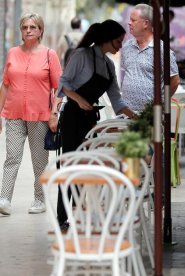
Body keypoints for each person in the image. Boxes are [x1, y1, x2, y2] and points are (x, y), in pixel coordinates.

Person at [56, 19, 136, 228]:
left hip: (90, 119)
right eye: (118, 41)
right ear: (106, 39)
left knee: (86, 165)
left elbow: (117, 100)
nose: (120, 46)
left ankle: (80, 212)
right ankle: (63, 216)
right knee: (70, 165)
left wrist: (137, 117)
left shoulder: (109, 65)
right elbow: (63, 84)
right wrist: (80, 100)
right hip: (72, 117)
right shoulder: (81, 55)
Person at [0, 13, 62, 215]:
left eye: (33, 27)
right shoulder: (12, 53)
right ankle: (5, 199)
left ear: (40, 30)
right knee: (12, 157)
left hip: (39, 116)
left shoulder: (49, 54)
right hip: (14, 113)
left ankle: (39, 199)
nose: (28, 30)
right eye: (25, 27)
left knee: (39, 161)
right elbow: (5, 86)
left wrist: (54, 114)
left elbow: (59, 88)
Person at [121, 3, 180, 113]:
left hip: (151, 116)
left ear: (145, 24)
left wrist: (161, 101)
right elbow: (126, 74)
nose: (129, 23)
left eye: (133, 20)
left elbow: (175, 81)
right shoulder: (127, 47)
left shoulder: (162, 50)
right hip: (126, 114)